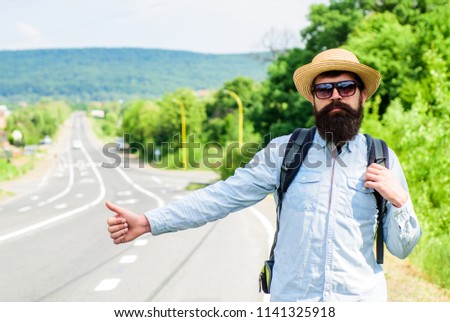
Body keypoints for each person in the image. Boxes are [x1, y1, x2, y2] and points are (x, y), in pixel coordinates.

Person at [106, 48, 421, 301]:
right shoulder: (285, 153)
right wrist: (149, 222)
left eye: (346, 87)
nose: (335, 96)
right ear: (312, 98)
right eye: (324, 89)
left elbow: (401, 249)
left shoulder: (381, 158)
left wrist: (400, 200)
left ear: (362, 95)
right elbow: (222, 196)